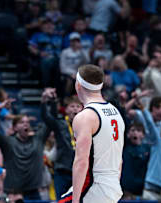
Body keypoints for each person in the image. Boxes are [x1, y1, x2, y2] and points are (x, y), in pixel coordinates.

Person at [59, 64, 125, 203]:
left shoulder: (85, 117)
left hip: (94, 185)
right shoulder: (115, 112)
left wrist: (75, 201)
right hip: (112, 185)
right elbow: (120, 159)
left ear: (78, 85)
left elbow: (81, 162)